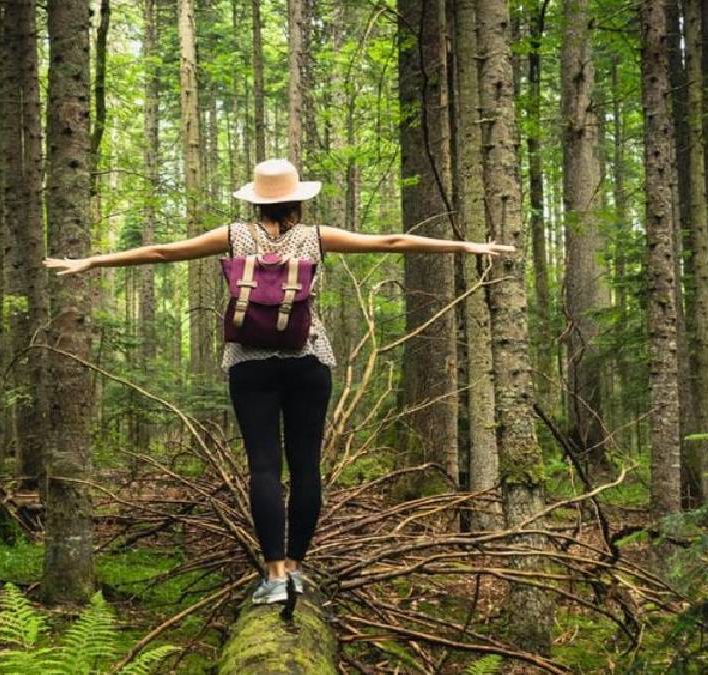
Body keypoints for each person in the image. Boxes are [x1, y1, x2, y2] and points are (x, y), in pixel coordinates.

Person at [43, 158, 513, 605]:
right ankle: (296, 567)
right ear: (297, 201)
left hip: (250, 364)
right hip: (308, 359)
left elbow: (164, 251)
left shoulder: (232, 235)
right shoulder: (315, 237)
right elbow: (390, 242)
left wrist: (91, 262)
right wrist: (467, 246)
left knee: (264, 467)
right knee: (306, 467)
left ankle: (273, 575)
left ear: (255, 201)